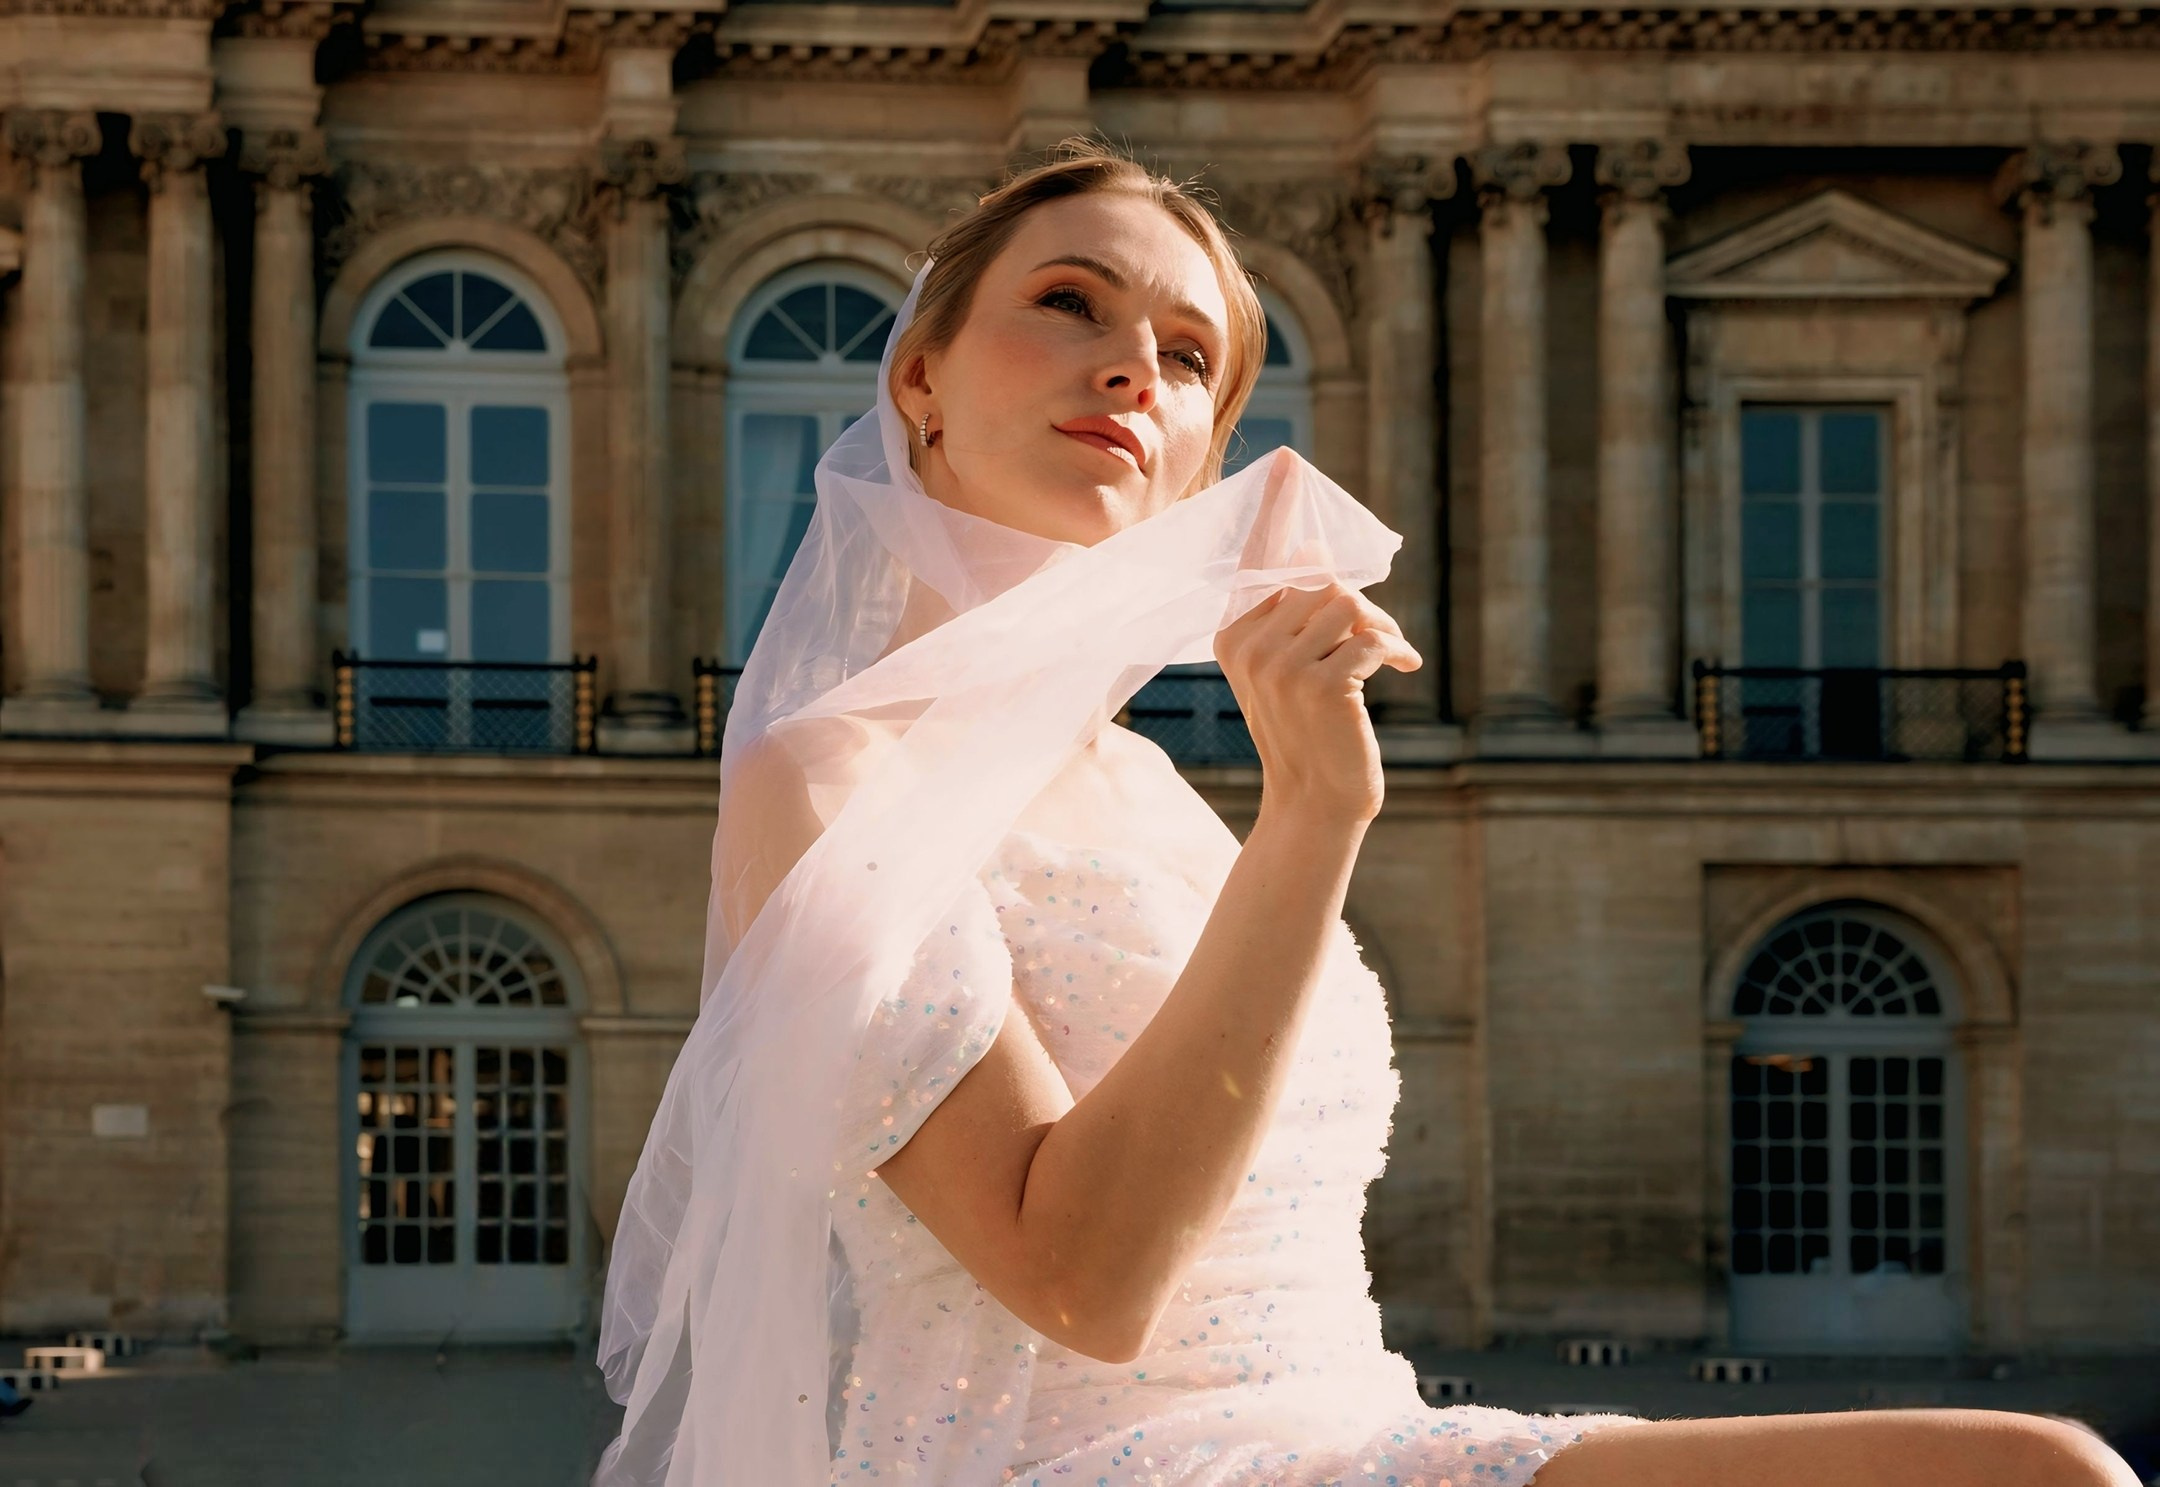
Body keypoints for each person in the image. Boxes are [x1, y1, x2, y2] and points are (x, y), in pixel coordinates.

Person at [592, 137, 2141, 1487]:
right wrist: (1316, 814)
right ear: (919, 376)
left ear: (1205, 452)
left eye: (1191, 356)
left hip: (1350, 1428)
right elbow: (1082, 1281)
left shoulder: (1157, 795)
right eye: (1070, 303)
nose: (1136, 366)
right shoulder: (836, 774)